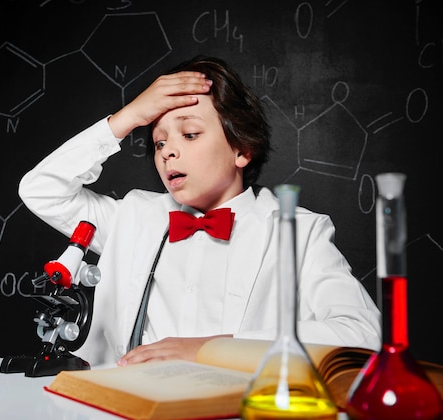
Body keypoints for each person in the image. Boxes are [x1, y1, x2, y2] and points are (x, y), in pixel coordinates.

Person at [19, 55, 381, 367]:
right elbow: (41, 191)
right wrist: (127, 118)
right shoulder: (133, 218)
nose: (167, 152)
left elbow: (364, 334)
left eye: (189, 134)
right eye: (160, 141)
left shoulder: (298, 233)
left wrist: (215, 348)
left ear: (241, 150)